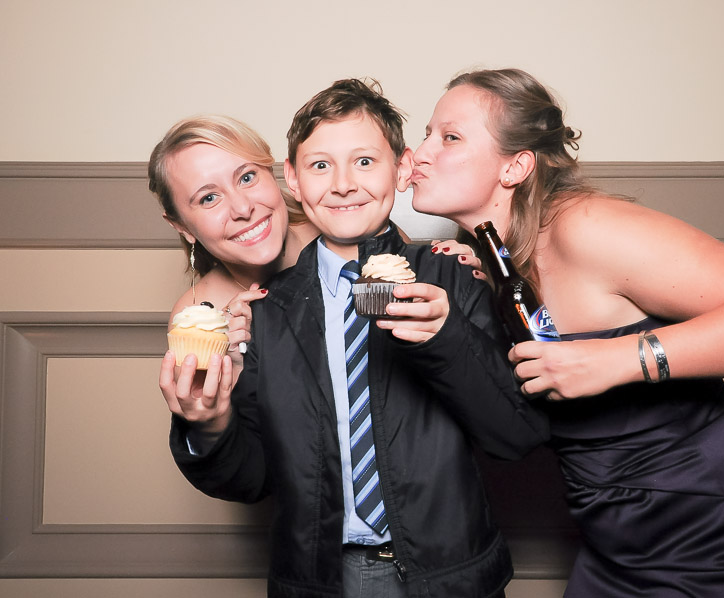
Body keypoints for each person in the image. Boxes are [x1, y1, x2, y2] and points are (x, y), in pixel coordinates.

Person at [412, 68, 724, 597]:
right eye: (426, 134)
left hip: (718, 524)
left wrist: (621, 359)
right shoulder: (490, 260)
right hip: (617, 534)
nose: (420, 153)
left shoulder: (586, 227)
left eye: (448, 137)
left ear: (515, 166)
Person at [159, 78, 549, 598]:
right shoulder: (264, 313)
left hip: (449, 575)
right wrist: (208, 425)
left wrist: (446, 338)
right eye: (321, 165)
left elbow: (516, 435)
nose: (343, 184)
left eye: (365, 161)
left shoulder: (450, 279)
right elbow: (249, 480)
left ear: (403, 167)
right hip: (322, 580)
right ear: (293, 180)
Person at [148, 114, 320, 376]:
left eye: (247, 177)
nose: (242, 208)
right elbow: (213, 414)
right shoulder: (196, 323)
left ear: (273, 173)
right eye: (208, 198)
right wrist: (236, 366)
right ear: (181, 226)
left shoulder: (344, 233)